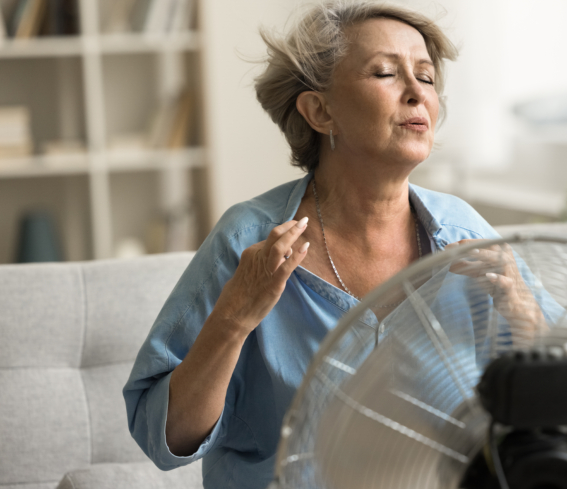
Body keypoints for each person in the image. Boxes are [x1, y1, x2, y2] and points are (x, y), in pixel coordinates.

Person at [123, 2, 543, 488]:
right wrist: (235, 316)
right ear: (320, 111)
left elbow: (562, 400)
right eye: (386, 73)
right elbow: (165, 438)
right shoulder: (248, 238)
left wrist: (520, 309)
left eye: (426, 77)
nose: (416, 94)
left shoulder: (464, 231)